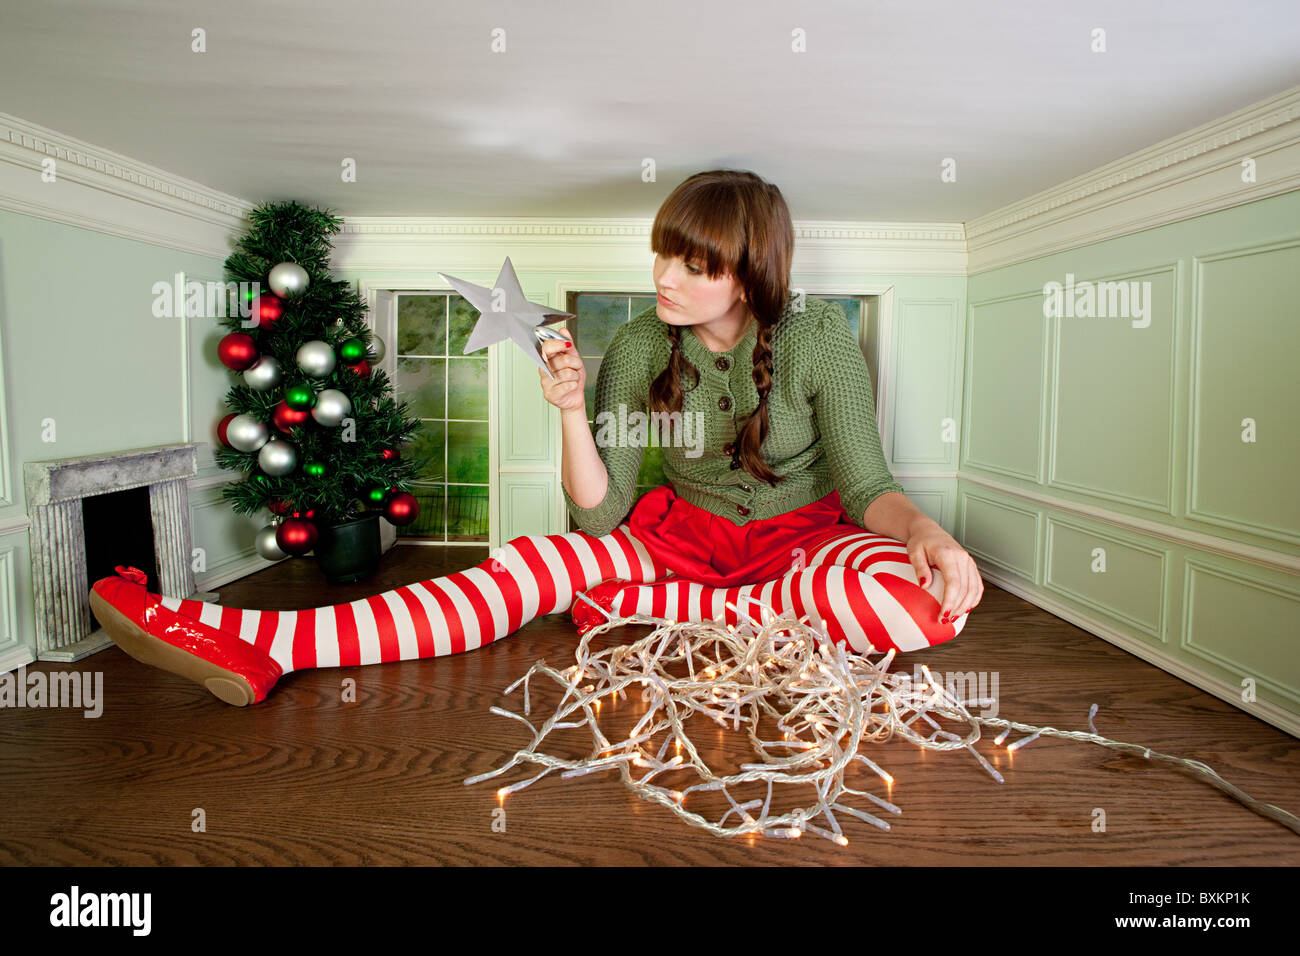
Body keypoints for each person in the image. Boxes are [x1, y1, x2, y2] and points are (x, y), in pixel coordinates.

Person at [88, 169, 982, 707]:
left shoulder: (820, 338)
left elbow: (867, 487)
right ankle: (270, 643)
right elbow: (601, 523)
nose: (663, 276)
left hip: (798, 546)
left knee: (918, 605)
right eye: (662, 253)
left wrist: (928, 535)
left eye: (692, 264)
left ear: (748, 274)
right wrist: (569, 409)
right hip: (676, 542)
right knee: (532, 564)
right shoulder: (637, 345)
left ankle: (655, 618)